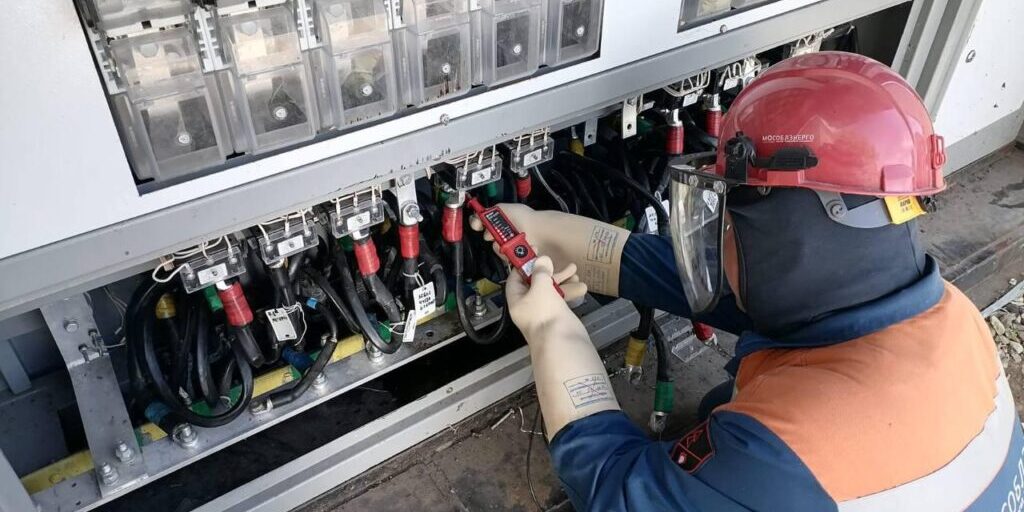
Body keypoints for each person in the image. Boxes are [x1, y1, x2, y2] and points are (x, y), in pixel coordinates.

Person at [474, 52, 1023, 511]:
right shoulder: (951, 318)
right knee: (723, 402)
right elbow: (723, 288)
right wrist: (548, 230)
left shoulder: (785, 454)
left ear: (782, 235)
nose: (716, 238)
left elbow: (614, 487)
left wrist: (551, 330)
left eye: (727, 222)